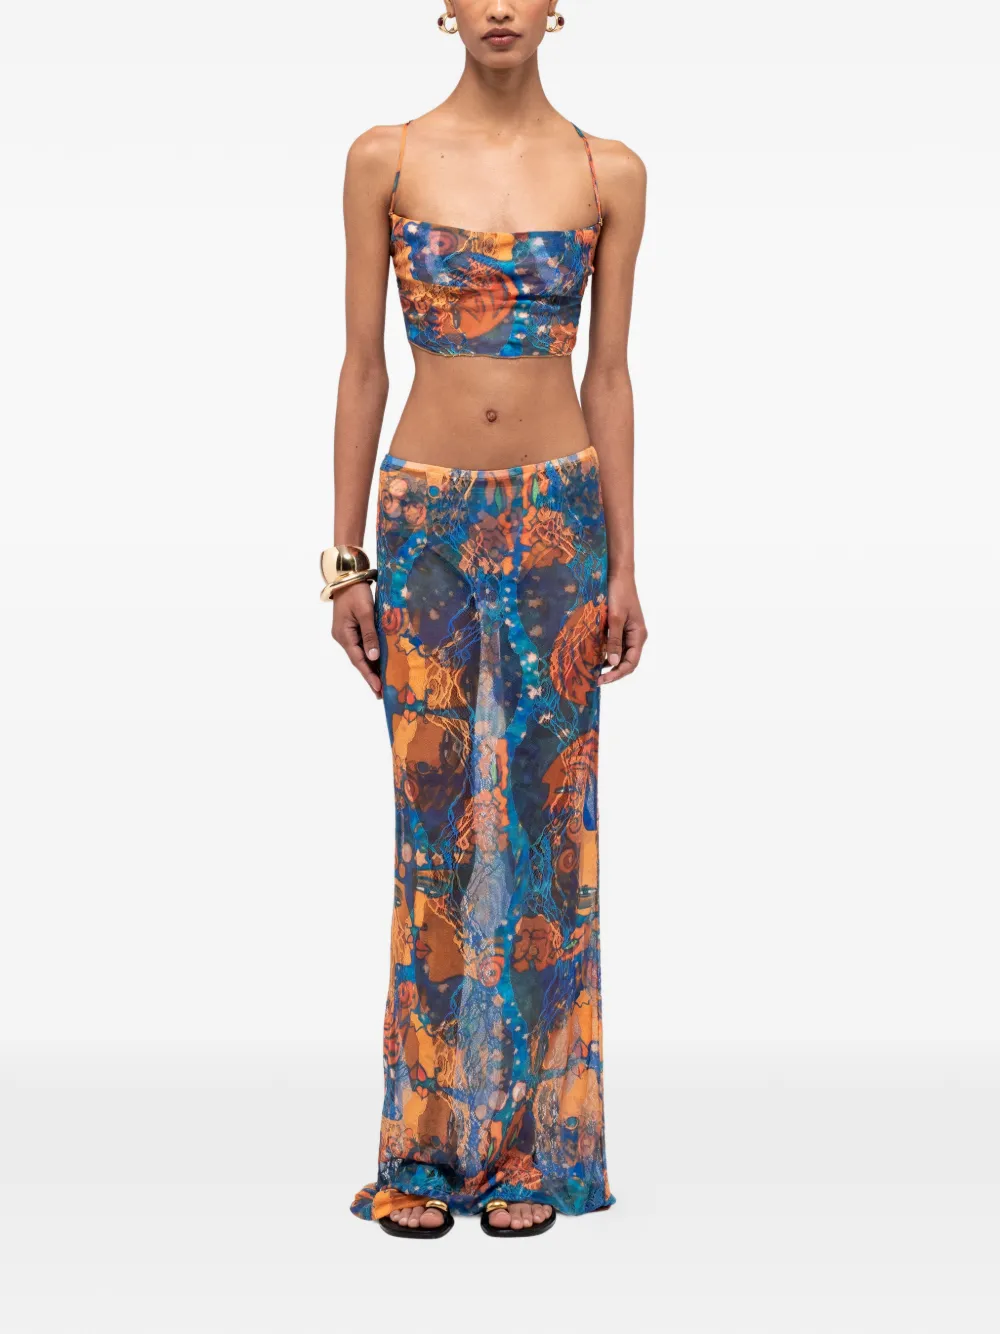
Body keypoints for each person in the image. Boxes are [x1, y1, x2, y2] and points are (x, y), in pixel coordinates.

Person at [323, 0, 647, 1238]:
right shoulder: (386, 158)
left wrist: (624, 565)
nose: (500, 6)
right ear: (444, 7)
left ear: (558, 8)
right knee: (435, 833)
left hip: (560, 518)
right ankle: (421, 1145)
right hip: (425, 523)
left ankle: (526, 1147)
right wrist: (343, 562)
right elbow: (363, 364)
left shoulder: (607, 172)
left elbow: (607, 373)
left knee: (550, 832)